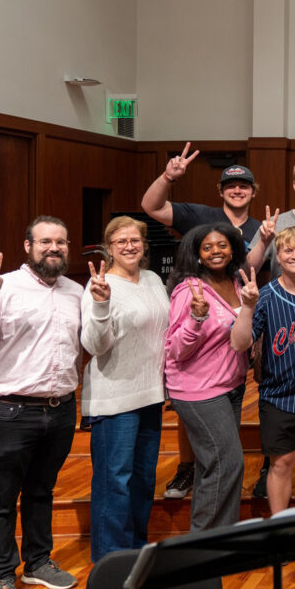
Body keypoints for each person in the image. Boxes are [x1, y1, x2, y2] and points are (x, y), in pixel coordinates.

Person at [0, 216, 81, 589]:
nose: (53, 248)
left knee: (42, 491)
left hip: (61, 409)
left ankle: (38, 563)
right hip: (11, 411)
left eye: (60, 242)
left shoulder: (77, 291)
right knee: (1, 498)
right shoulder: (3, 286)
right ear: (28, 246)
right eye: (45, 241)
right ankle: (1, 576)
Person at [140, 142, 262, 499]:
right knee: (200, 403)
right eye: (230, 186)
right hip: (203, 327)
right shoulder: (200, 216)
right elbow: (151, 206)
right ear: (221, 191)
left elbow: (252, 268)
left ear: (253, 191)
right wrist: (168, 176)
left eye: (243, 186)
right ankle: (186, 467)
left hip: (242, 316)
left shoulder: (261, 225)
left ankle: (214, 474)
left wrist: (267, 239)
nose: (236, 191)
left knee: (226, 425)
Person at [80, 217, 169, 562]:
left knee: (143, 480)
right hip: (114, 399)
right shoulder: (100, 285)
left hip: (150, 394)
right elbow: (94, 345)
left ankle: (135, 554)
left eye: (135, 240)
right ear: (109, 247)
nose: (129, 246)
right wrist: (101, 304)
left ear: (145, 244)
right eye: (121, 241)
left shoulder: (152, 279)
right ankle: (110, 562)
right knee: (114, 482)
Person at [231, 227, 295, 520]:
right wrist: (247, 308)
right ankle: (282, 530)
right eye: (288, 250)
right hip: (278, 396)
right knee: (281, 463)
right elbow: (239, 343)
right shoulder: (264, 295)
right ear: (278, 256)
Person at [164, 223, 249, 531]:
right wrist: (197, 319)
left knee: (213, 467)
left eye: (222, 245)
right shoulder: (189, 290)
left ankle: (218, 539)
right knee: (228, 463)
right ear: (197, 255)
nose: (216, 251)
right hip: (198, 391)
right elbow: (176, 350)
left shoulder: (239, 282)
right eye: (208, 247)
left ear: (233, 250)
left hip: (232, 386)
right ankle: (203, 546)